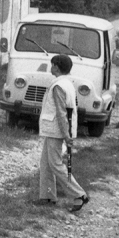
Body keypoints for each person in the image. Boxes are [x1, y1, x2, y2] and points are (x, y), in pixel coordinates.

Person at [35, 54, 90, 212]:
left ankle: (79, 194)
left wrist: (66, 135)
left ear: (57, 67)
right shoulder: (67, 83)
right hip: (55, 129)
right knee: (46, 163)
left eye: (52, 65)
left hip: (56, 130)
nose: (51, 67)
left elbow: (61, 112)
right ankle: (47, 196)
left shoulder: (59, 86)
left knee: (55, 164)